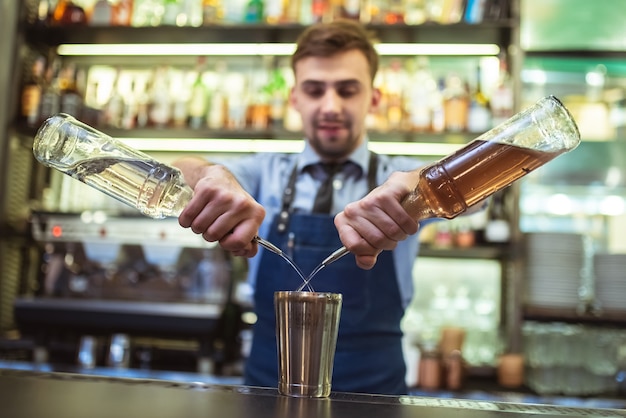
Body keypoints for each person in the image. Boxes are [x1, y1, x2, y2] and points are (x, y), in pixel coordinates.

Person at [173, 19, 429, 395]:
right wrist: (208, 175)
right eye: (314, 90)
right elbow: (179, 169)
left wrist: (429, 183)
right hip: (269, 391)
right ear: (294, 98)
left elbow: (479, 193)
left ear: (373, 98)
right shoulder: (263, 170)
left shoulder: (400, 178)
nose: (330, 106)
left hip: (376, 393)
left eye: (347, 90)